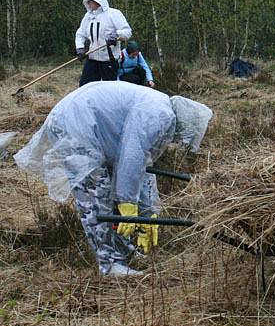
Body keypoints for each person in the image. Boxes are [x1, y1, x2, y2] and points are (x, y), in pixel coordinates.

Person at [14, 82, 213, 277]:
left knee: (109, 192)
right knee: (96, 194)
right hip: (77, 125)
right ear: (187, 125)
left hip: (85, 122)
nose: (179, 142)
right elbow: (131, 156)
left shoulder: (160, 110)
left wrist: (148, 214)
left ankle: (123, 251)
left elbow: (143, 166)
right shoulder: (160, 114)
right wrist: (127, 202)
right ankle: (109, 264)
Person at [75, 0, 132, 86]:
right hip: (92, 58)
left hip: (108, 60)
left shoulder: (114, 14)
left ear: (97, 1)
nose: (88, 4)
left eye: (90, 1)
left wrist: (116, 35)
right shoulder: (88, 17)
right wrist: (80, 48)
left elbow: (127, 32)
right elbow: (80, 34)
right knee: (85, 86)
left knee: (109, 90)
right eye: (87, 2)